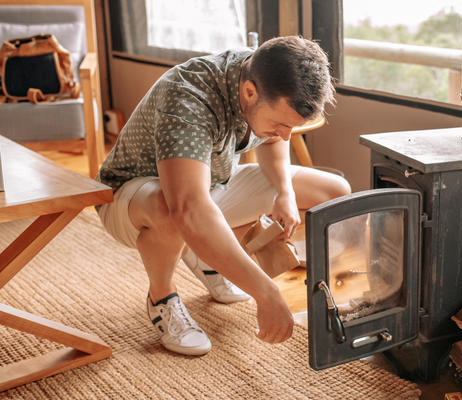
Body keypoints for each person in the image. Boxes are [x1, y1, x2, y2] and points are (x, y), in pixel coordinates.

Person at [95, 36, 351, 356]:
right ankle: (161, 298)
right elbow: (189, 209)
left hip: (208, 186)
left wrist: (284, 193)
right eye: (280, 123)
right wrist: (266, 293)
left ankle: (206, 257)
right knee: (172, 209)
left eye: (291, 127)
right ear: (249, 93)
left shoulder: (260, 72)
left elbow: (272, 142)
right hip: (128, 197)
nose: (285, 134)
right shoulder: (188, 99)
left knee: (334, 191)